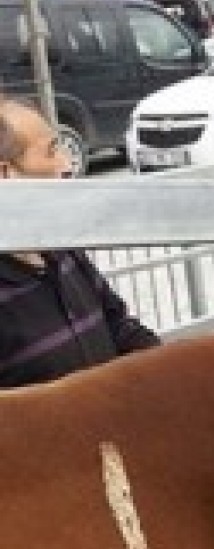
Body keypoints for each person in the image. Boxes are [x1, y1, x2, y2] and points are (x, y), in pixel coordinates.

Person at [0, 97, 160, 386]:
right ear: (5, 175)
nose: (67, 163)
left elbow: (120, 329)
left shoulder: (63, 251)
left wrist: (185, 372)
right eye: (51, 152)